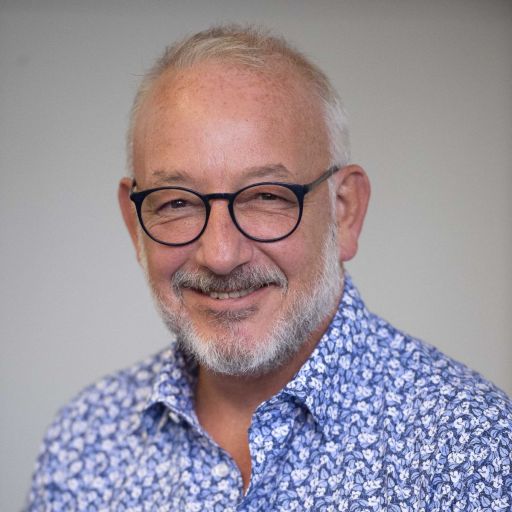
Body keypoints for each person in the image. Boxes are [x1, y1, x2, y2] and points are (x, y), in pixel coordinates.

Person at [27, 25, 512, 511]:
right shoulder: (84, 441)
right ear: (136, 224)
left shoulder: (473, 447)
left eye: (266, 196)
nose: (220, 255)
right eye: (177, 203)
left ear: (344, 210)